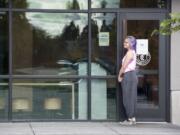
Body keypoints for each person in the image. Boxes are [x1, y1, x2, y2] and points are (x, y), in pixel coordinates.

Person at [118, 36, 138, 125]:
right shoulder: (131, 52)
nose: (124, 43)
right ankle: (132, 118)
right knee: (131, 97)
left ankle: (130, 119)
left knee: (127, 98)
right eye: (124, 42)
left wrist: (120, 75)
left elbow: (124, 66)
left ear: (131, 44)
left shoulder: (130, 53)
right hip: (131, 76)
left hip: (128, 76)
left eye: (126, 42)